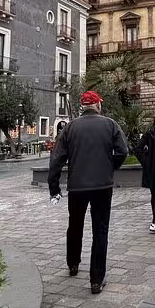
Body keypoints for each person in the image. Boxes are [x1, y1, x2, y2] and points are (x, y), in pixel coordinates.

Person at [48, 90, 128, 295]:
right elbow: (123, 152)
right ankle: (96, 279)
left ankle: (73, 263)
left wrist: (54, 187)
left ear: (83, 106)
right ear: (98, 105)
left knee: (74, 225)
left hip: (77, 186)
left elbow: (56, 158)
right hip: (102, 186)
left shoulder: (70, 128)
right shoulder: (110, 124)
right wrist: (109, 167)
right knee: (100, 231)